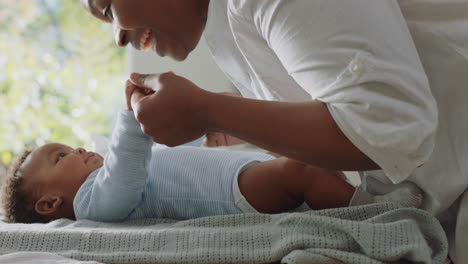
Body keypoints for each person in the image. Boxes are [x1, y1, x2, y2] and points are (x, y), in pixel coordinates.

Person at [80, 1, 468, 263]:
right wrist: (222, 117)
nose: (117, 35)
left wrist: (208, 111)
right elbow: (343, 111)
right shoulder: (228, 32)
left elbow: (388, 127)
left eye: (108, 6)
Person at [1, 81, 421, 223]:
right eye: (60, 157)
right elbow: (128, 172)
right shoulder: (95, 204)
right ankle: (378, 211)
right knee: (302, 170)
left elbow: (161, 167)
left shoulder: (103, 183)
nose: (75, 149)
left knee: (303, 166)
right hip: (232, 195)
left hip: (231, 177)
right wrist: (131, 116)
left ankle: (352, 198)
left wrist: (206, 140)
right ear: (49, 203)